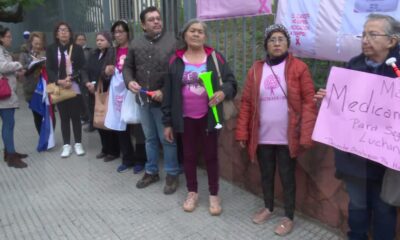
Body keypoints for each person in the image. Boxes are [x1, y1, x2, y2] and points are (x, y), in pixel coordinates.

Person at [314, 14, 398, 240]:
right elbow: (343, 108)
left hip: (388, 158)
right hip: (356, 156)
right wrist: (329, 100)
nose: (365, 40)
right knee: (358, 205)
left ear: (392, 41)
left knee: (384, 208)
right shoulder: (353, 65)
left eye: (373, 34)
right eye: (364, 34)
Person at [235, 24, 317, 236]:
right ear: (266, 45)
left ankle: (288, 216)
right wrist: (243, 132)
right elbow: (246, 103)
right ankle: (268, 207)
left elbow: (309, 102)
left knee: (288, 177)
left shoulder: (299, 68)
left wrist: (306, 135)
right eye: (272, 40)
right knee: (266, 175)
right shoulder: (256, 69)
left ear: (288, 44)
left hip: (287, 137)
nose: (277, 43)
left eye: (281, 39)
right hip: (262, 136)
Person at [162, 19, 237, 215]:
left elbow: (231, 81)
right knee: (188, 156)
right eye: (192, 31)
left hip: (209, 117)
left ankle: (214, 194)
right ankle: (192, 192)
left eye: (200, 32)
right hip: (185, 117)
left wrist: (222, 92)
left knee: (211, 156)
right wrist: (168, 122)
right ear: (185, 35)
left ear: (204, 36)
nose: (196, 34)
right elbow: (168, 93)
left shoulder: (215, 58)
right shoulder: (175, 60)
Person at [123, 6, 180, 194]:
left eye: (158, 18)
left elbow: (178, 71)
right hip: (142, 100)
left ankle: (172, 173)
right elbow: (127, 67)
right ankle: (152, 171)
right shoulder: (135, 43)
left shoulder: (173, 42)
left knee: (167, 138)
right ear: (143, 24)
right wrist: (129, 81)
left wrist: (164, 91)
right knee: (149, 138)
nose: (156, 22)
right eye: (151, 19)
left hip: (163, 101)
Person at [103, 20, 146, 173]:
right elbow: (105, 72)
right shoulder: (112, 51)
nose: (119, 34)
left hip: (133, 90)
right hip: (117, 92)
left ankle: (141, 159)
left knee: (138, 123)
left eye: (122, 31)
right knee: (121, 125)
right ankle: (127, 158)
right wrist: (107, 71)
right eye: (116, 32)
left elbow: (142, 68)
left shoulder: (136, 48)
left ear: (128, 32)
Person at [46, 22, 86, 158]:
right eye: (60, 30)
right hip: (59, 86)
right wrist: (59, 81)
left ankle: (78, 143)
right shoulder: (51, 49)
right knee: (64, 117)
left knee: (75, 116)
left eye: (66, 30)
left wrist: (71, 79)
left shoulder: (77, 48)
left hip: (73, 85)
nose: (63, 32)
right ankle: (66, 145)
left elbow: (82, 67)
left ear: (70, 33)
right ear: (56, 34)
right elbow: (49, 68)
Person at [84, 31, 120, 162]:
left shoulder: (112, 54)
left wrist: (97, 83)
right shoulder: (94, 54)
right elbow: (85, 69)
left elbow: (108, 72)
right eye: (97, 40)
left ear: (109, 41)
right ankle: (105, 148)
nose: (99, 42)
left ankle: (113, 150)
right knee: (98, 120)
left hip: (107, 91)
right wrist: (87, 82)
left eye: (102, 40)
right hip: (93, 92)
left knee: (108, 121)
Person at [0, 25, 28, 168]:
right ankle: (11, 157)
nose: (11, 38)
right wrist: (18, 64)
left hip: (6, 92)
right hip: (3, 94)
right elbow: (3, 67)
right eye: (8, 36)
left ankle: (9, 152)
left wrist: (17, 73)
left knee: (8, 124)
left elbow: (5, 71)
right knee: (8, 124)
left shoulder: (4, 51)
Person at [19, 31, 55, 134]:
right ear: (31, 42)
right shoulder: (25, 54)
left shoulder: (47, 52)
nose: (38, 46)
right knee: (37, 114)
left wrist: (45, 64)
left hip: (48, 87)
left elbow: (54, 67)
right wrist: (33, 64)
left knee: (50, 112)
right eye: (36, 44)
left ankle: (50, 137)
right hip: (32, 88)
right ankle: (42, 137)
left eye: (40, 43)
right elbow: (21, 68)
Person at [74, 33, 93, 132]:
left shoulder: (89, 51)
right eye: (79, 39)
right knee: (80, 101)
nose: (81, 41)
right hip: (76, 80)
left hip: (85, 80)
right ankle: (84, 117)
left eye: (82, 39)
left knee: (87, 101)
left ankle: (91, 121)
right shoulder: (73, 51)